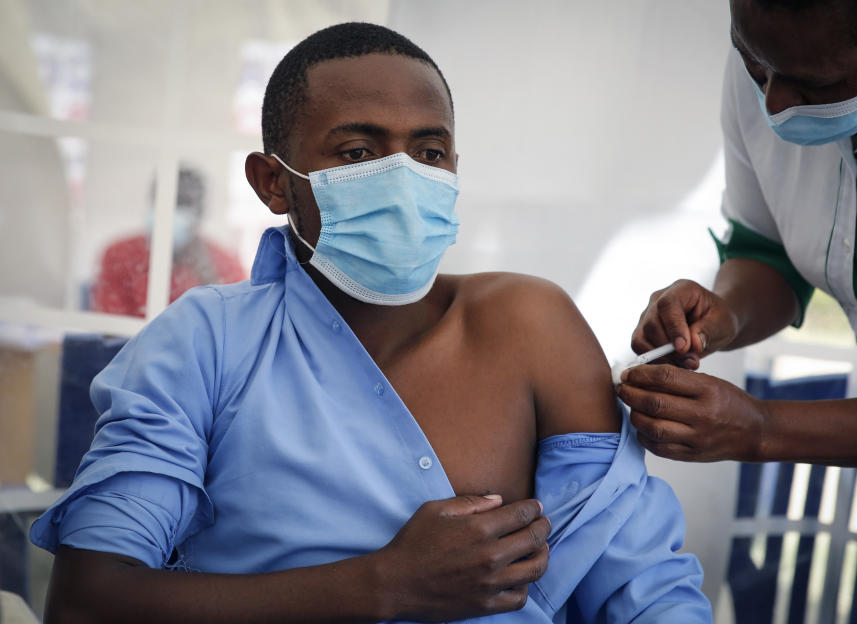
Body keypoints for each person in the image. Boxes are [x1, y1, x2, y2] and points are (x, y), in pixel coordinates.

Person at [31, 23, 710, 623]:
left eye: (429, 152)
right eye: (357, 153)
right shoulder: (205, 342)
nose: (403, 178)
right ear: (274, 182)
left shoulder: (530, 325)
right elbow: (90, 601)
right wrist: (383, 584)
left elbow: (636, 579)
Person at [618, 0, 857, 620]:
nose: (773, 105)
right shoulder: (776, 52)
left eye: (816, 86)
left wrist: (762, 428)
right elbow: (767, 248)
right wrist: (727, 312)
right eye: (753, 65)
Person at [91, 166, 247, 317]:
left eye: (181, 204)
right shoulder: (119, 255)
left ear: (199, 214)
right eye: (162, 200)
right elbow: (111, 327)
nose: (170, 212)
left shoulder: (224, 265)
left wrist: (206, 276)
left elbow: (234, 323)